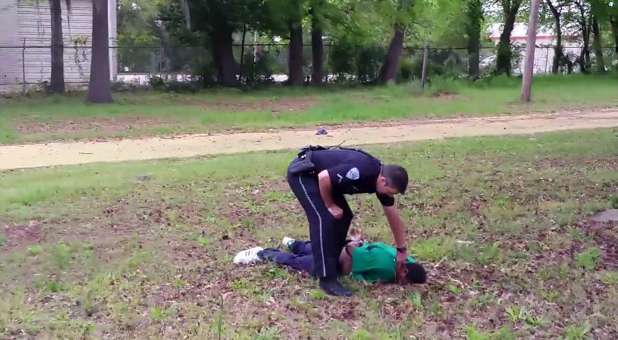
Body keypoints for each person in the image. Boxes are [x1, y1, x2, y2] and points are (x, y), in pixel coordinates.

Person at [286, 146, 410, 296]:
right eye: (390, 192)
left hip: (324, 180)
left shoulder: (381, 182)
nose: (389, 195)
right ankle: (327, 279)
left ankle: (330, 260)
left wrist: (401, 249)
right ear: (383, 181)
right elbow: (324, 177)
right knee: (324, 217)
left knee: (344, 216)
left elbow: (393, 215)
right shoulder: (363, 170)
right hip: (305, 174)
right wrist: (330, 205)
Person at [233, 236, 427, 285]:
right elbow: (356, 268)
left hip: (342, 246)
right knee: (301, 262)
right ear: (404, 271)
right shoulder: (387, 270)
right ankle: (262, 253)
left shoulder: (405, 257)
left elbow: (376, 246)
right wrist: (362, 279)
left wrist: (357, 243)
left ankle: (294, 243)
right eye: (406, 281)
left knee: (312, 249)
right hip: (338, 259)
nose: (403, 284)